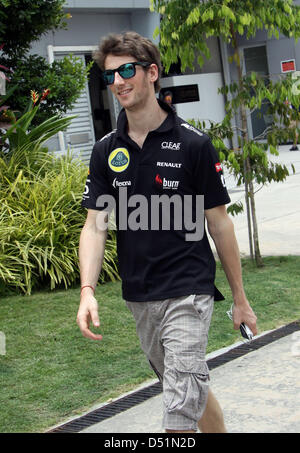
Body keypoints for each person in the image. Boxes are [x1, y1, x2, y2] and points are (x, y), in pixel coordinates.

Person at [77, 31, 257, 434]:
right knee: (185, 384)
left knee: (177, 412)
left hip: (188, 291)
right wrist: (88, 290)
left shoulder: (194, 144)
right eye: (110, 76)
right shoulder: (107, 150)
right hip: (140, 294)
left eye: (127, 70)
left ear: (152, 72)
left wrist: (240, 300)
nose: (119, 82)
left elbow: (220, 225)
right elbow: (95, 226)